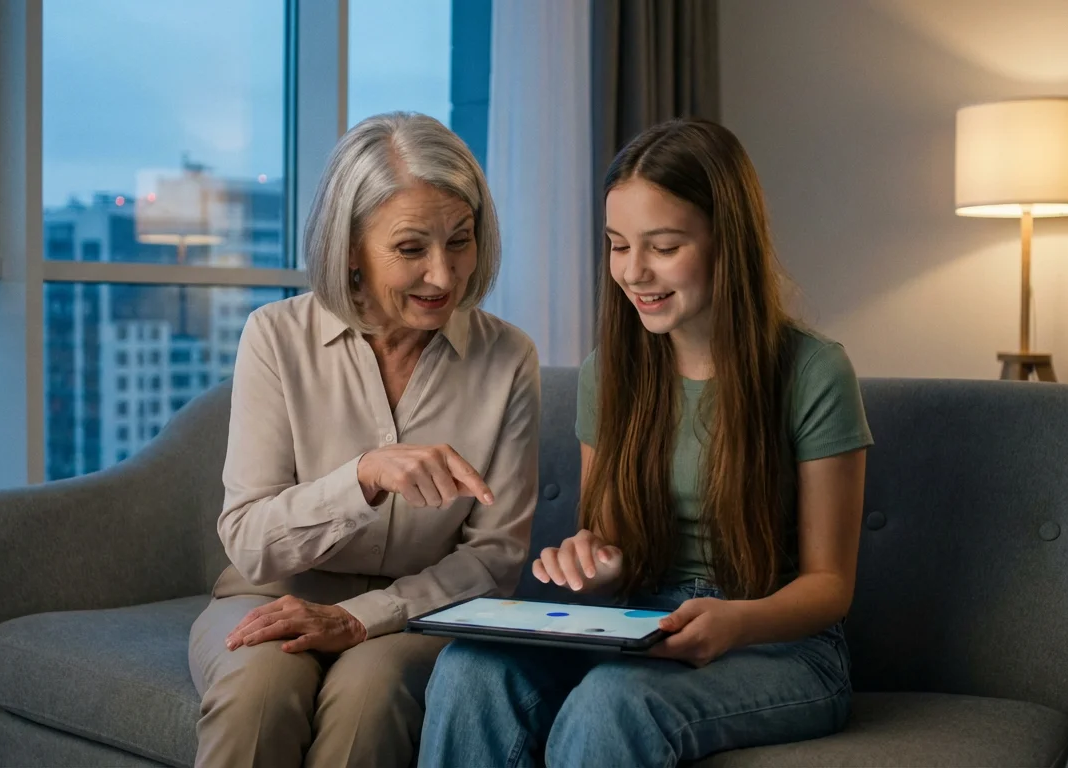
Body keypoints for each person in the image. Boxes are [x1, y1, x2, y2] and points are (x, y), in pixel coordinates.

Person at [420, 117, 873, 767]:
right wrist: (598, 559)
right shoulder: (610, 371)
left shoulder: (811, 371)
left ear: (726, 242)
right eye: (616, 245)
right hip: (642, 626)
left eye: (662, 246)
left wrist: (735, 621)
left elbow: (830, 585)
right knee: (471, 672)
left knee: (614, 701)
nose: (633, 272)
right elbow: (611, 539)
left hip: (780, 647)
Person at [190, 112, 540, 768]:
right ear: (350, 246)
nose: (444, 276)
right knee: (258, 694)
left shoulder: (508, 358)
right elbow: (248, 538)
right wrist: (363, 477)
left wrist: (364, 616)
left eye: (459, 241)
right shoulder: (275, 337)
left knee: (370, 696)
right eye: (411, 249)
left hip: (421, 611)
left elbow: (493, 560)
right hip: (270, 592)